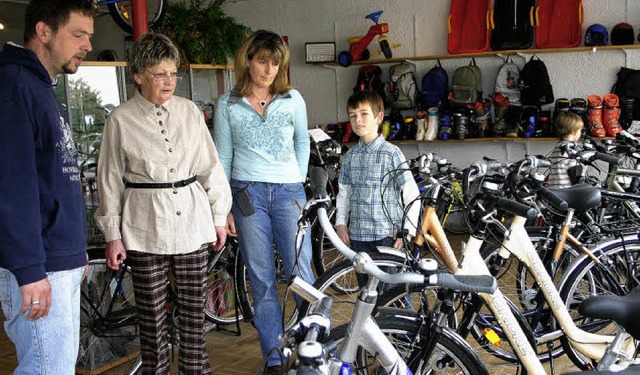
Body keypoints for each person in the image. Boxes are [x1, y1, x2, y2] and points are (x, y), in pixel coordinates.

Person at [94, 32, 232, 374]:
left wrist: (219, 215)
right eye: (160, 74)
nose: (169, 81)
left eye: (173, 73)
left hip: (192, 222)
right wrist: (112, 234)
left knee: (193, 318)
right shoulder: (120, 120)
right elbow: (109, 180)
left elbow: (210, 166)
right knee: (152, 320)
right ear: (139, 76)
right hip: (144, 226)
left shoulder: (189, 112)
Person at [0, 0, 95, 373]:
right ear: (43, 32)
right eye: (78, 34)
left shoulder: (40, 85)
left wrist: (76, 249)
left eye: (89, 35)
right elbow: (12, 184)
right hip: (40, 267)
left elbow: (55, 176)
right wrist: (28, 268)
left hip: (59, 258)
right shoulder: (14, 85)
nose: (87, 44)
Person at [213, 29, 315, 374]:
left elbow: (303, 143)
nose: (268, 69)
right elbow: (222, 157)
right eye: (262, 61)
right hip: (247, 195)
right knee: (262, 279)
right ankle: (273, 357)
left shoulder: (294, 100)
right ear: (248, 60)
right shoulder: (228, 104)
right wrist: (224, 207)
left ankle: (311, 348)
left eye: (275, 63)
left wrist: (296, 182)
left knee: (301, 272)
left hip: (289, 193)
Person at [336, 90, 420, 260]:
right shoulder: (349, 157)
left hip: (387, 235)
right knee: (365, 285)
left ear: (379, 117)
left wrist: (407, 231)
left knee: (388, 285)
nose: (357, 120)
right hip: (358, 235)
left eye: (364, 114)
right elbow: (344, 194)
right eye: (352, 116)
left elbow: (411, 193)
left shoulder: (391, 154)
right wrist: (340, 223)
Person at [547, 111, 585, 188]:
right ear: (573, 132)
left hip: (553, 192)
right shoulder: (571, 149)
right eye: (580, 130)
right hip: (567, 191)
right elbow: (574, 172)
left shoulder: (557, 147)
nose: (580, 133)